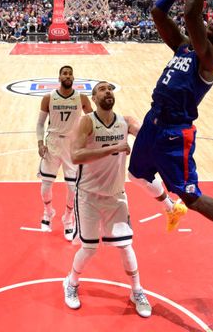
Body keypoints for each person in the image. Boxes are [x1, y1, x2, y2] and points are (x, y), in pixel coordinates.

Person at [127, 0, 213, 264]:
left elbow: (190, 14)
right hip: (153, 120)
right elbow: (158, 13)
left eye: (208, 29)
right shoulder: (183, 47)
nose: (204, 24)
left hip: (175, 134)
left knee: (193, 198)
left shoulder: (209, 60)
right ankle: (171, 208)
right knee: (137, 175)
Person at [62, 81, 151, 318]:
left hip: (116, 196)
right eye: (101, 89)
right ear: (93, 97)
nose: (107, 91)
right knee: (89, 248)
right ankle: (70, 283)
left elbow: (147, 137)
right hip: (89, 196)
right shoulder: (87, 121)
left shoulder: (125, 122)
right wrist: (114, 148)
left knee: (125, 245)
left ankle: (137, 290)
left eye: (109, 88)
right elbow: (76, 155)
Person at [36, 65, 92, 239]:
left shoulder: (82, 98)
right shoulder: (48, 98)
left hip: (72, 146)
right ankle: (48, 211)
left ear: (73, 78)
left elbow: (93, 121)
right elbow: (40, 124)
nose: (67, 76)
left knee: (72, 188)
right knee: (45, 187)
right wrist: (40, 142)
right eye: (64, 73)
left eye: (70, 73)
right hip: (52, 143)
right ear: (59, 77)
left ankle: (68, 218)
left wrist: (89, 142)